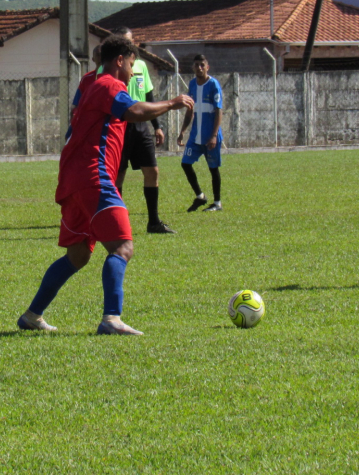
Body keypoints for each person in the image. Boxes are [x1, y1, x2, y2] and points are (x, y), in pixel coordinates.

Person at [17, 35, 194, 335]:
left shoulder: (91, 86)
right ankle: (111, 319)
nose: (133, 71)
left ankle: (32, 315)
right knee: (123, 246)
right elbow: (134, 111)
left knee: (78, 255)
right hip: (92, 176)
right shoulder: (108, 84)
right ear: (120, 61)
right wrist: (172, 103)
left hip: (74, 179)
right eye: (132, 65)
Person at [110, 27, 175, 234]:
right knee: (118, 174)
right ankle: (116, 221)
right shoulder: (110, 68)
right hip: (120, 125)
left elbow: (149, 97)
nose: (128, 46)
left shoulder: (141, 66)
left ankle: (153, 222)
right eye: (123, 42)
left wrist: (157, 126)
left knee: (152, 171)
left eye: (130, 42)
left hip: (141, 125)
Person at [178, 54, 224, 212]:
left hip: (209, 136)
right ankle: (200, 196)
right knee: (185, 164)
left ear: (207, 67)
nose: (199, 68)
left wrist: (213, 135)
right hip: (195, 136)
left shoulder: (213, 85)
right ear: (193, 67)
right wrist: (183, 131)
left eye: (202, 65)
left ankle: (217, 203)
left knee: (213, 169)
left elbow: (219, 111)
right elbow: (190, 110)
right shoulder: (192, 84)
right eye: (196, 64)